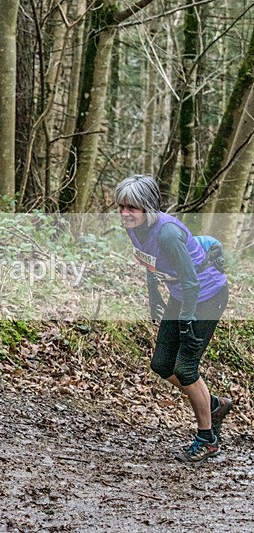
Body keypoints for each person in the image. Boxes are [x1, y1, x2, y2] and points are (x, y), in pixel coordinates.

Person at [114, 175, 233, 464]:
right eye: (121, 206)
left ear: (147, 207)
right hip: (182, 295)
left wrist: (187, 321)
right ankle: (213, 404)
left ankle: (207, 440)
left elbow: (193, 282)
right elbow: (148, 258)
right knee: (162, 364)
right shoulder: (136, 227)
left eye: (132, 207)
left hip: (207, 296)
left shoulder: (167, 233)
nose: (125, 213)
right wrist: (154, 293)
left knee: (185, 368)